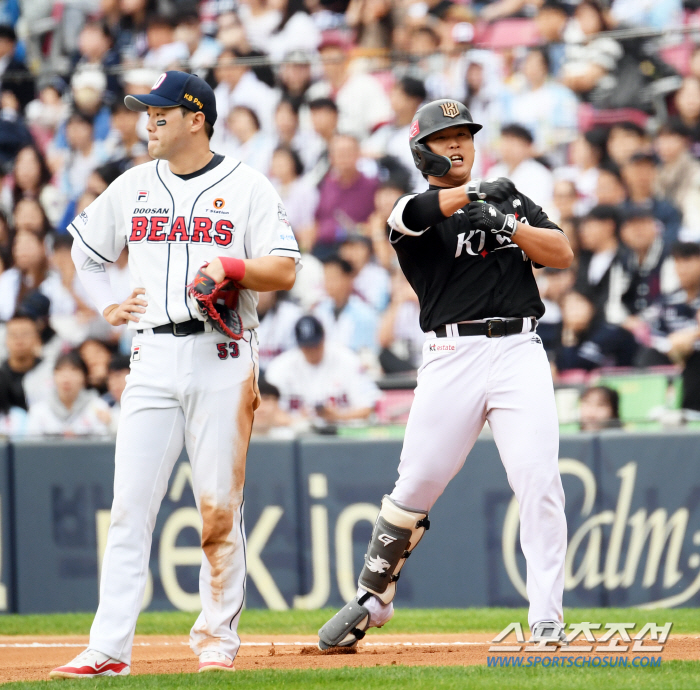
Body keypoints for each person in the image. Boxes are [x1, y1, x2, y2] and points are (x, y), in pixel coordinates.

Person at [51, 70, 299, 679]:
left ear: (197, 118)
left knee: (218, 508)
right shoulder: (135, 184)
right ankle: (109, 648)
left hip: (221, 355)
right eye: (147, 112)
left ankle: (216, 639)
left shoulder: (246, 187)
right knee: (130, 506)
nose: (149, 121)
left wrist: (233, 265)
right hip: (151, 356)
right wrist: (110, 298)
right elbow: (85, 250)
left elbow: (284, 269)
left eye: (162, 112)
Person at [317, 99, 573, 650]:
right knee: (415, 485)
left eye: (464, 135)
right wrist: (477, 198)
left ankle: (546, 617)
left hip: (518, 350)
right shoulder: (409, 208)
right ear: (422, 151)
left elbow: (561, 252)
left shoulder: (507, 197)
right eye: (444, 137)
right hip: (451, 356)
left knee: (539, 482)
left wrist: (507, 220)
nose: (457, 144)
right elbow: (415, 216)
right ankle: (372, 598)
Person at [265, 315, 380, 427]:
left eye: (316, 345)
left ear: (324, 338)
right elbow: (265, 412)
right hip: (294, 435)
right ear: (299, 345)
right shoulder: (280, 366)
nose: (312, 351)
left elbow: (369, 408)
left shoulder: (347, 359)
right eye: (307, 347)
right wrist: (298, 420)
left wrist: (337, 416)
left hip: (341, 434)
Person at [26, 350, 112, 437]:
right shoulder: (39, 410)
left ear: (84, 377)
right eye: (61, 371)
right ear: (53, 376)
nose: (66, 377)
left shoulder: (98, 408)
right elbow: (33, 445)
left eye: (73, 370)